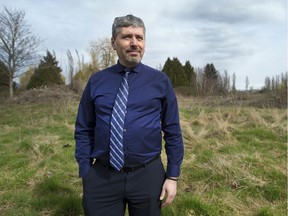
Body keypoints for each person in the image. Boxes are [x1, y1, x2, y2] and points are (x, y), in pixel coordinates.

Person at [75, 14, 184, 216]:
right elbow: (84, 127)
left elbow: (172, 130)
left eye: (139, 37)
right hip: (102, 176)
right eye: (127, 37)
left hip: (148, 175)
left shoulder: (160, 81)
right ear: (113, 43)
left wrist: (173, 176)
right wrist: (85, 170)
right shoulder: (97, 81)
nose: (134, 43)